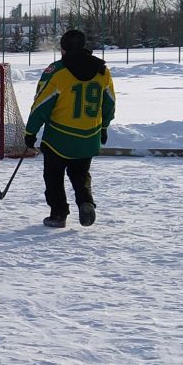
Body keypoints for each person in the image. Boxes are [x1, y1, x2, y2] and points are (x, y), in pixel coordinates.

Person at [24, 27, 116, 227]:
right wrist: (104, 127)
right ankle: (85, 202)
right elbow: (109, 103)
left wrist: (30, 132)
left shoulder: (57, 72)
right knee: (80, 173)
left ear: (63, 49)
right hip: (88, 138)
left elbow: (41, 105)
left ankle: (58, 214)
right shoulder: (102, 71)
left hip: (59, 138)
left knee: (54, 176)